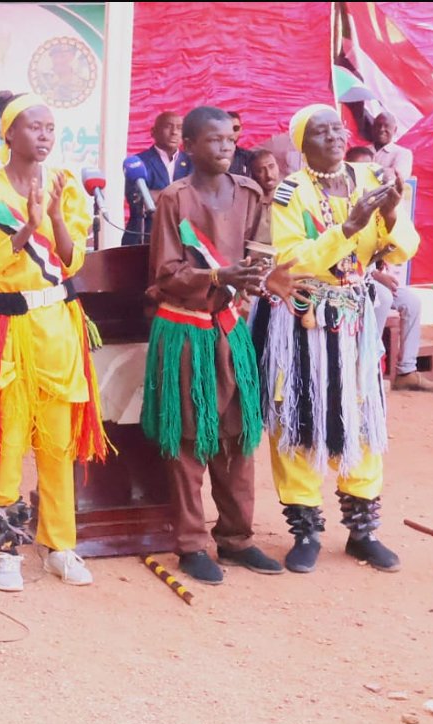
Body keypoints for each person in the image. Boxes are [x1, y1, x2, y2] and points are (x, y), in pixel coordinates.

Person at [250, 104, 419, 574]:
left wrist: (390, 213)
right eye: (321, 132)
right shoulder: (291, 192)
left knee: (361, 414)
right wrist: (347, 229)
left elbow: (403, 248)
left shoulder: (371, 178)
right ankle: (305, 532)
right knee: (298, 415)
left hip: (354, 318)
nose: (335, 137)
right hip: (303, 314)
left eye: (338, 129)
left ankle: (363, 532)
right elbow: (292, 260)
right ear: (302, 145)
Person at [0, 91, 109, 591]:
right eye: (33, 127)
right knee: (6, 443)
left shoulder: (66, 186)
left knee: (58, 444)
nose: (44, 136)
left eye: (50, 128)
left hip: (57, 329)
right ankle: (6, 549)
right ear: (8, 134)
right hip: (6, 329)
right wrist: (25, 226)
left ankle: (59, 545)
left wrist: (56, 217)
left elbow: (71, 261)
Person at [140, 106, 287, 584]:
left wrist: (255, 279)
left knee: (238, 435)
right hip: (185, 329)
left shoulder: (249, 193)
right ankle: (190, 543)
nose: (225, 146)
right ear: (189, 146)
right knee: (188, 438)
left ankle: (237, 538)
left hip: (229, 326)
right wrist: (219, 275)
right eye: (213, 139)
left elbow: (260, 252)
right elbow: (166, 272)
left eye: (229, 139)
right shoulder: (175, 198)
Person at [343, 147, 433, 393]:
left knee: (411, 301)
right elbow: (342, 256)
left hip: (373, 277)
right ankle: (366, 370)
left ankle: (406, 371)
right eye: (359, 169)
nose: (367, 174)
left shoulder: (383, 202)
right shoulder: (343, 203)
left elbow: (400, 245)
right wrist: (375, 274)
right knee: (383, 297)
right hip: (348, 280)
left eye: (371, 168)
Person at [124, 111, 192, 245]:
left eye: (179, 128)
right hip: (145, 236)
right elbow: (138, 200)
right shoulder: (137, 162)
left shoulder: (193, 162)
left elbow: (196, 199)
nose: (174, 132)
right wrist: (180, 196)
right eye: (168, 126)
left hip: (185, 236)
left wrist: (157, 195)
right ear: (153, 132)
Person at [370, 112, 413, 181]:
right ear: (373, 128)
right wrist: (386, 171)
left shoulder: (403, 153)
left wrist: (365, 172)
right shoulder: (362, 150)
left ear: (395, 130)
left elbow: (395, 178)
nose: (381, 129)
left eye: (386, 126)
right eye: (378, 125)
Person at [250, 148, 281, 239]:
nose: (269, 175)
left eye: (271, 166)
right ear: (253, 174)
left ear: (278, 166)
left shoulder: (292, 195)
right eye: (260, 170)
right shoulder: (250, 201)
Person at [226, 111, 255, 178]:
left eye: (235, 128)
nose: (231, 132)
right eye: (228, 128)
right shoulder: (210, 157)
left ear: (240, 129)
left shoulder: (249, 157)